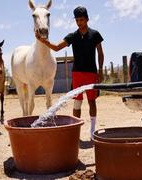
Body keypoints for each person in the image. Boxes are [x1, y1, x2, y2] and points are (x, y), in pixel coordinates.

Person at [36, 6, 104, 138]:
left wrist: (100, 70)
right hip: (77, 73)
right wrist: (42, 40)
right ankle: (75, 131)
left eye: (82, 20)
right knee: (77, 102)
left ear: (87, 19)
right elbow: (56, 47)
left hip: (91, 73)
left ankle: (92, 130)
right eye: (77, 20)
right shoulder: (72, 36)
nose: (79, 23)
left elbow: (100, 53)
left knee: (92, 102)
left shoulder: (95, 34)